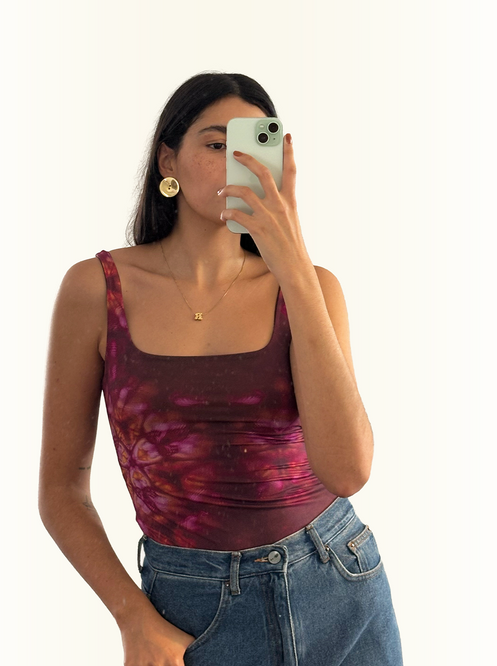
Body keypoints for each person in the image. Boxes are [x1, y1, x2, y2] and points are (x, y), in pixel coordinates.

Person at [39, 72, 403, 666]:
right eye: (216, 144)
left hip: (338, 584)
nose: (239, 165)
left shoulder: (311, 288)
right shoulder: (97, 289)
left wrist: (293, 263)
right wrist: (133, 618)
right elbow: (61, 492)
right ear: (168, 160)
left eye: (255, 147)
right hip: (189, 611)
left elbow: (348, 470)